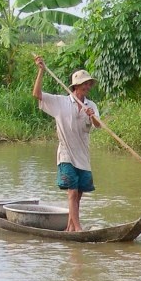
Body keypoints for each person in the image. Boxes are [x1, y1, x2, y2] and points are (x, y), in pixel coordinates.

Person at [32, 55, 101, 232]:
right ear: (75, 86)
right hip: (66, 154)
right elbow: (37, 94)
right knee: (72, 191)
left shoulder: (91, 105)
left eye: (89, 84)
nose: (87, 87)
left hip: (83, 156)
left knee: (78, 195)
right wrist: (41, 71)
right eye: (84, 84)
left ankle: (70, 227)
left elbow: (99, 126)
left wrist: (91, 116)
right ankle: (78, 228)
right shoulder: (60, 102)